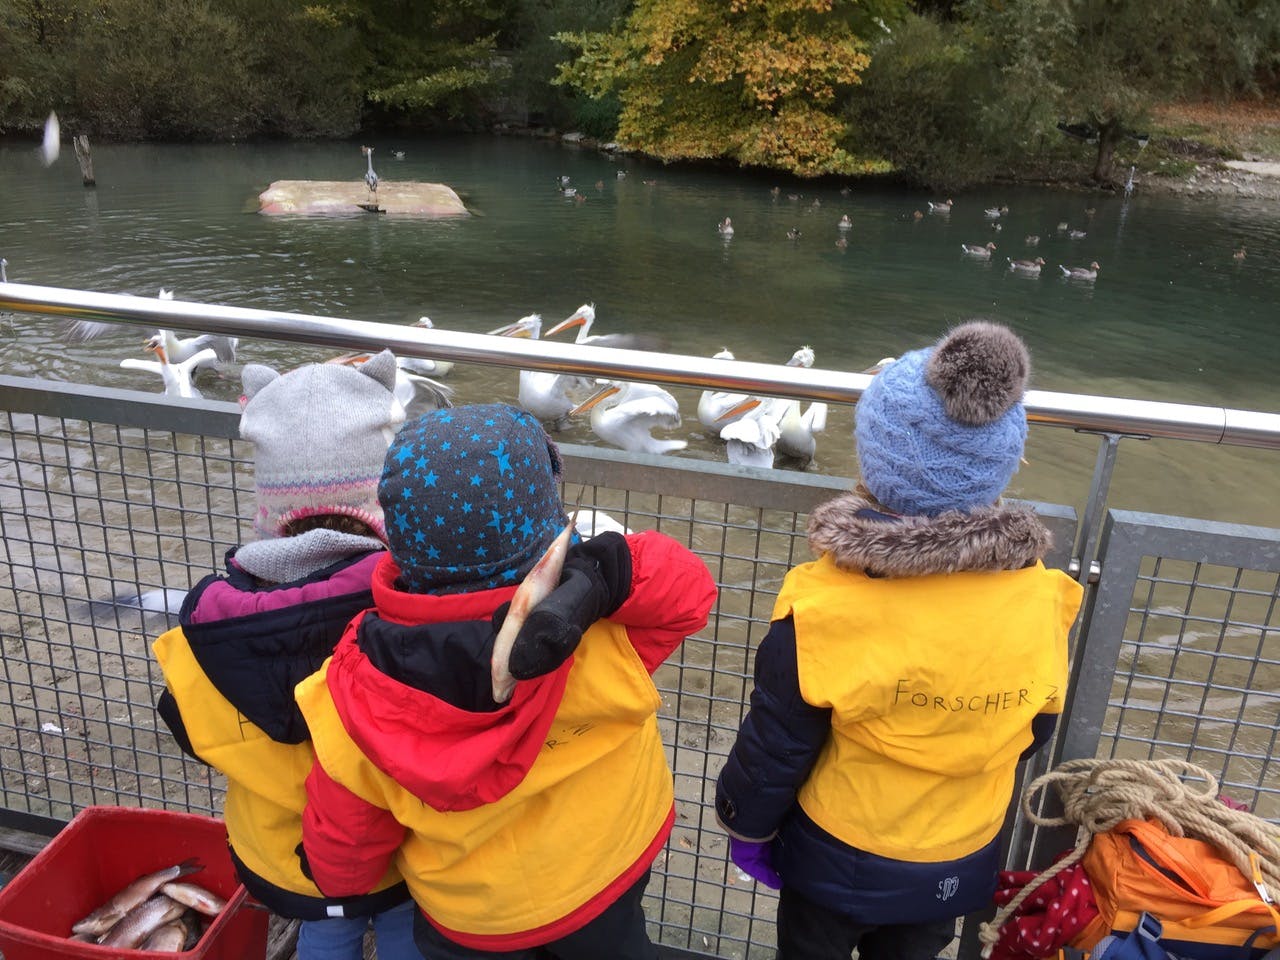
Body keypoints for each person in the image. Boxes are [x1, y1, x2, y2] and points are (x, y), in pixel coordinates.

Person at [294, 402, 718, 960]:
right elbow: (690, 592)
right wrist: (599, 574)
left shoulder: (354, 686)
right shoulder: (602, 630)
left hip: (472, 918)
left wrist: (334, 878)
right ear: (546, 516)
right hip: (607, 876)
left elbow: (347, 842)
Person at [715, 322, 1085, 960]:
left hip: (837, 855)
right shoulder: (1044, 597)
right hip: (960, 855)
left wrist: (745, 825)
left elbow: (778, 741)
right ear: (1000, 464)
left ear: (874, 459)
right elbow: (1035, 731)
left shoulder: (823, 602)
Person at [152, 351, 419, 960]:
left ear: (268, 511)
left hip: (279, 851)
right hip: (394, 849)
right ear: (383, 500)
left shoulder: (210, 622)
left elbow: (193, 731)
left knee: (325, 932)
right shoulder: (406, 608)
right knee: (409, 927)